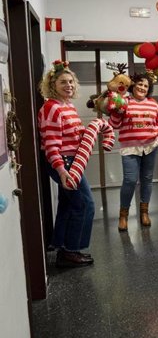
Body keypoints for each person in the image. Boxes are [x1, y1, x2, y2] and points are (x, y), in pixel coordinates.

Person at [38, 60, 96, 268]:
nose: (69, 85)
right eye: (63, 82)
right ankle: (71, 252)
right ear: (53, 84)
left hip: (72, 161)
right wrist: (62, 171)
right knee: (85, 205)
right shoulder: (51, 108)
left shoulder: (67, 105)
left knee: (67, 203)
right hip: (64, 163)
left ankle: (60, 243)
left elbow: (69, 134)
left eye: (71, 82)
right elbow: (51, 143)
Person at [109, 72, 158, 232]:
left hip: (150, 146)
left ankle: (144, 213)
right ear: (133, 85)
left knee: (147, 179)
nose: (142, 87)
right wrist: (116, 110)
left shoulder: (153, 104)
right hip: (130, 147)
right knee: (130, 180)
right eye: (140, 84)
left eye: (146, 86)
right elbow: (114, 124)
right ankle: (123, 215)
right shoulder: (124, 101)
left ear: (149, 89)